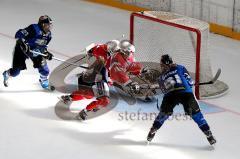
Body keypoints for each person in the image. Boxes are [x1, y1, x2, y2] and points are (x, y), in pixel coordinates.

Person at [146, 54, 216, 145]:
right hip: (185, 93)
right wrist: (190, 84)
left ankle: (153, 131)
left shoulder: (161, 77)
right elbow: (190, 82)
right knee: (196, 115)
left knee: (163, 115)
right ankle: (208, 134)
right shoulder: (180, 67)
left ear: (163, 64)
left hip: (170, 95)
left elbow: (164, 90)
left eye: (161, 64)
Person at [60, 40, 120, 120]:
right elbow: (90, 54)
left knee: (89, 95)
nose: (115, 52)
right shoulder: (100, 49)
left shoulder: (110, 56)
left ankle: (70, 97)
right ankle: (85, 110)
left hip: (98, 78)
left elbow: (107, 68)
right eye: (114, 50)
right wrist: (91, 54)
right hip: (95, 78)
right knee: (103, 99)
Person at [2, 15, 53, 89]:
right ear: (42, 24)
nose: (49, 27)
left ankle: (43, 80)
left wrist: (46, 53)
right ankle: (7, 73)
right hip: (21, 50)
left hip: (35, 51)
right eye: (47, 25)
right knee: (15, 72)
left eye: (50, 25)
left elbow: (43, 46)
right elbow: (18, 34)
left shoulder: (48, 35)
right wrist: (24, 44)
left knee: (45, 69)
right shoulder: (33, 29)